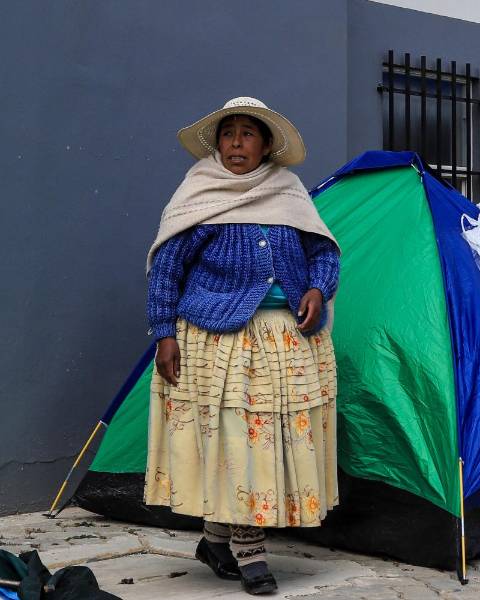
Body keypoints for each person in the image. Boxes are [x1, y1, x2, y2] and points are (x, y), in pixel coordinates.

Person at [144, 97, 340, 595]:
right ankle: (250, 555)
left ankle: (214, 539)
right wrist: (163, 334)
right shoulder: (199, 194)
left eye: (247, 133)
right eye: (228, 133)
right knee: (239, 443)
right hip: (217, 339)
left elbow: (323, 251)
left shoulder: (288, 192)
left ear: (266, 145)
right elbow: (166, 270)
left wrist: (319, 286)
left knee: (265, 442)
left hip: (285, 339)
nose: (236, 142)